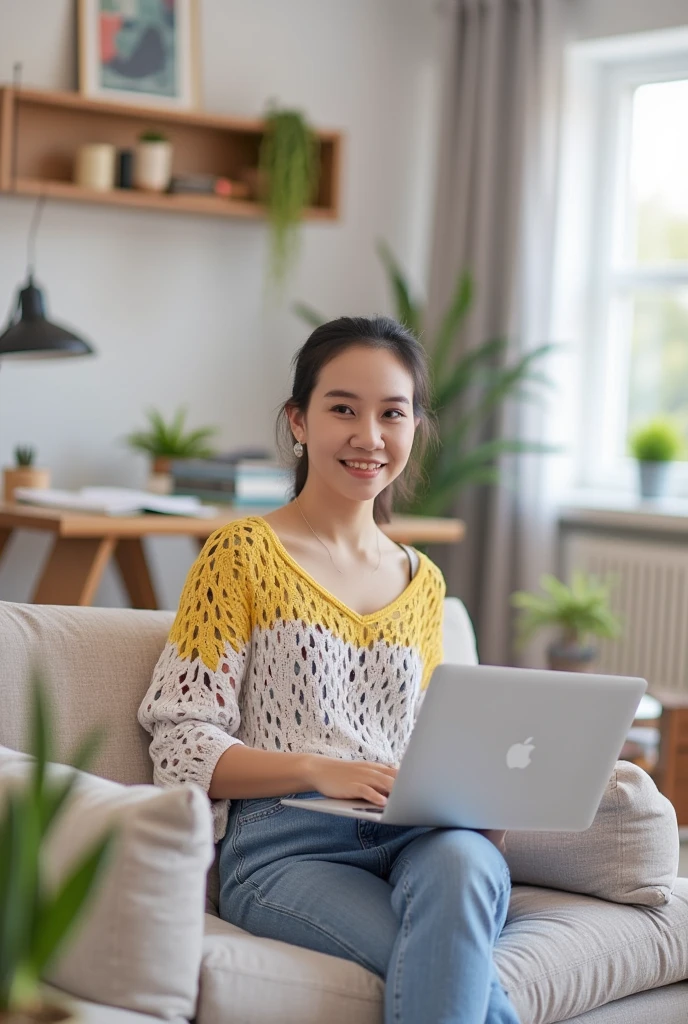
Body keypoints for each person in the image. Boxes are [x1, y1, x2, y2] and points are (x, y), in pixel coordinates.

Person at [138, 315, 519, 1024]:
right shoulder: (240, 555)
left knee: (468, 866)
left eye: (391, 413)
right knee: (458, 978)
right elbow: (183, 740)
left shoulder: (425, 582)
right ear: (299, 421)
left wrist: (485, 798)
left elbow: (437, 741)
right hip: (287, 848)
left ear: (414, 428)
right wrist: (315, 769)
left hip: (421, 837)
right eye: (342, 408)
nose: (369, 436)